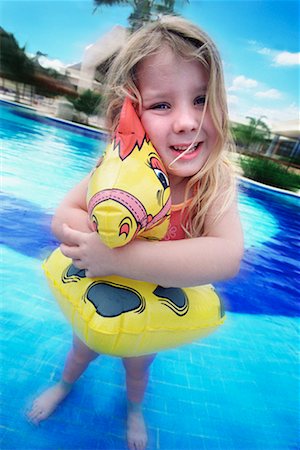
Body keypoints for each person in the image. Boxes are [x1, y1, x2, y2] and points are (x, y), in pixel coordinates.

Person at [27, 15, 244, 450]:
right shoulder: (121, 175)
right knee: (81, 351)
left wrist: (123, 259)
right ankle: (65, 386)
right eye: (162, 105)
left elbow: (227, 255)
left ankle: (133, 411)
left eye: (201, 99)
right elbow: (63, 215)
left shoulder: (212, 183)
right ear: (131, 113)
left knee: (138, 368)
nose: (186, 121)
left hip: (150, 308)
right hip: (100, 293)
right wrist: (99, 237)